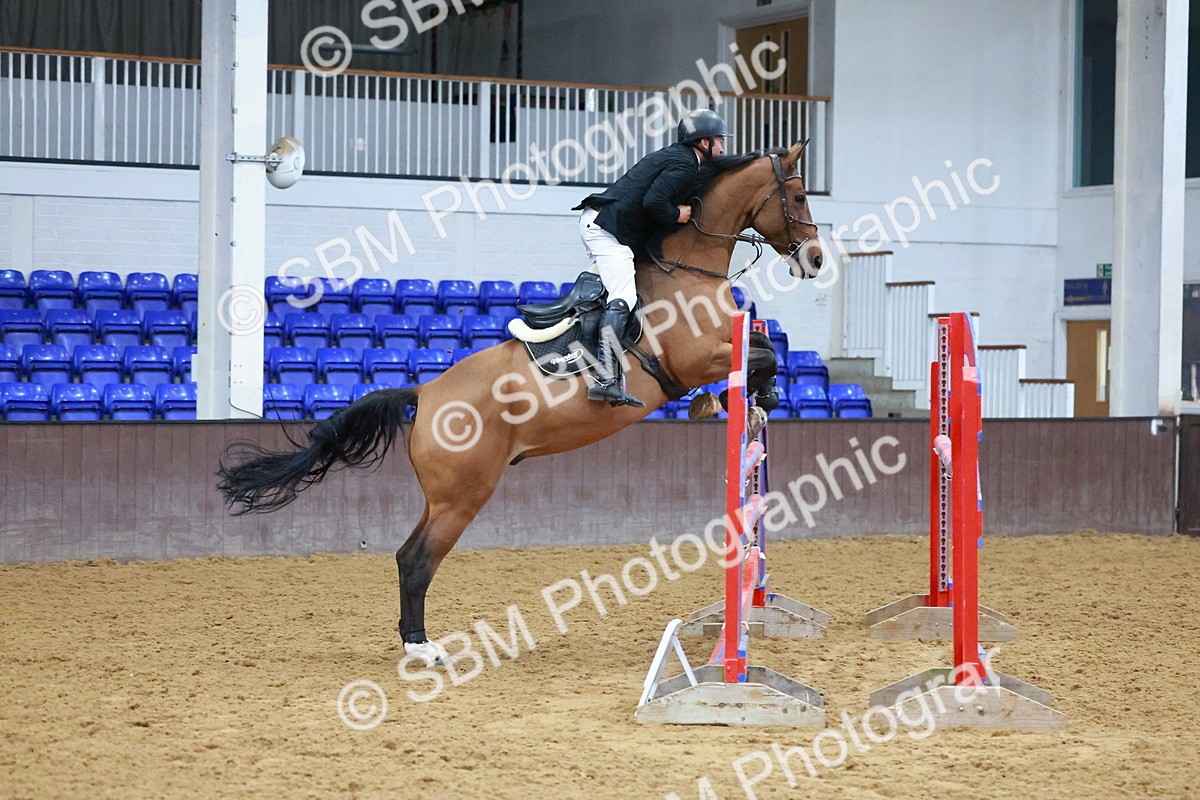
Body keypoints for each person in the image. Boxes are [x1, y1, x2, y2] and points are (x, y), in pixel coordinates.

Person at [574, 108, 729, 407]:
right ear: (704, 142)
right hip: (605, 229)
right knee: (624, 296)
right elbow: (654, 202)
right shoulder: (685, 165)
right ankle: (605, 377)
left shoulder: (683, 160)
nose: (723, 146)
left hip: (609, 225)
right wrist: (678, 215)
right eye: (719, 139)